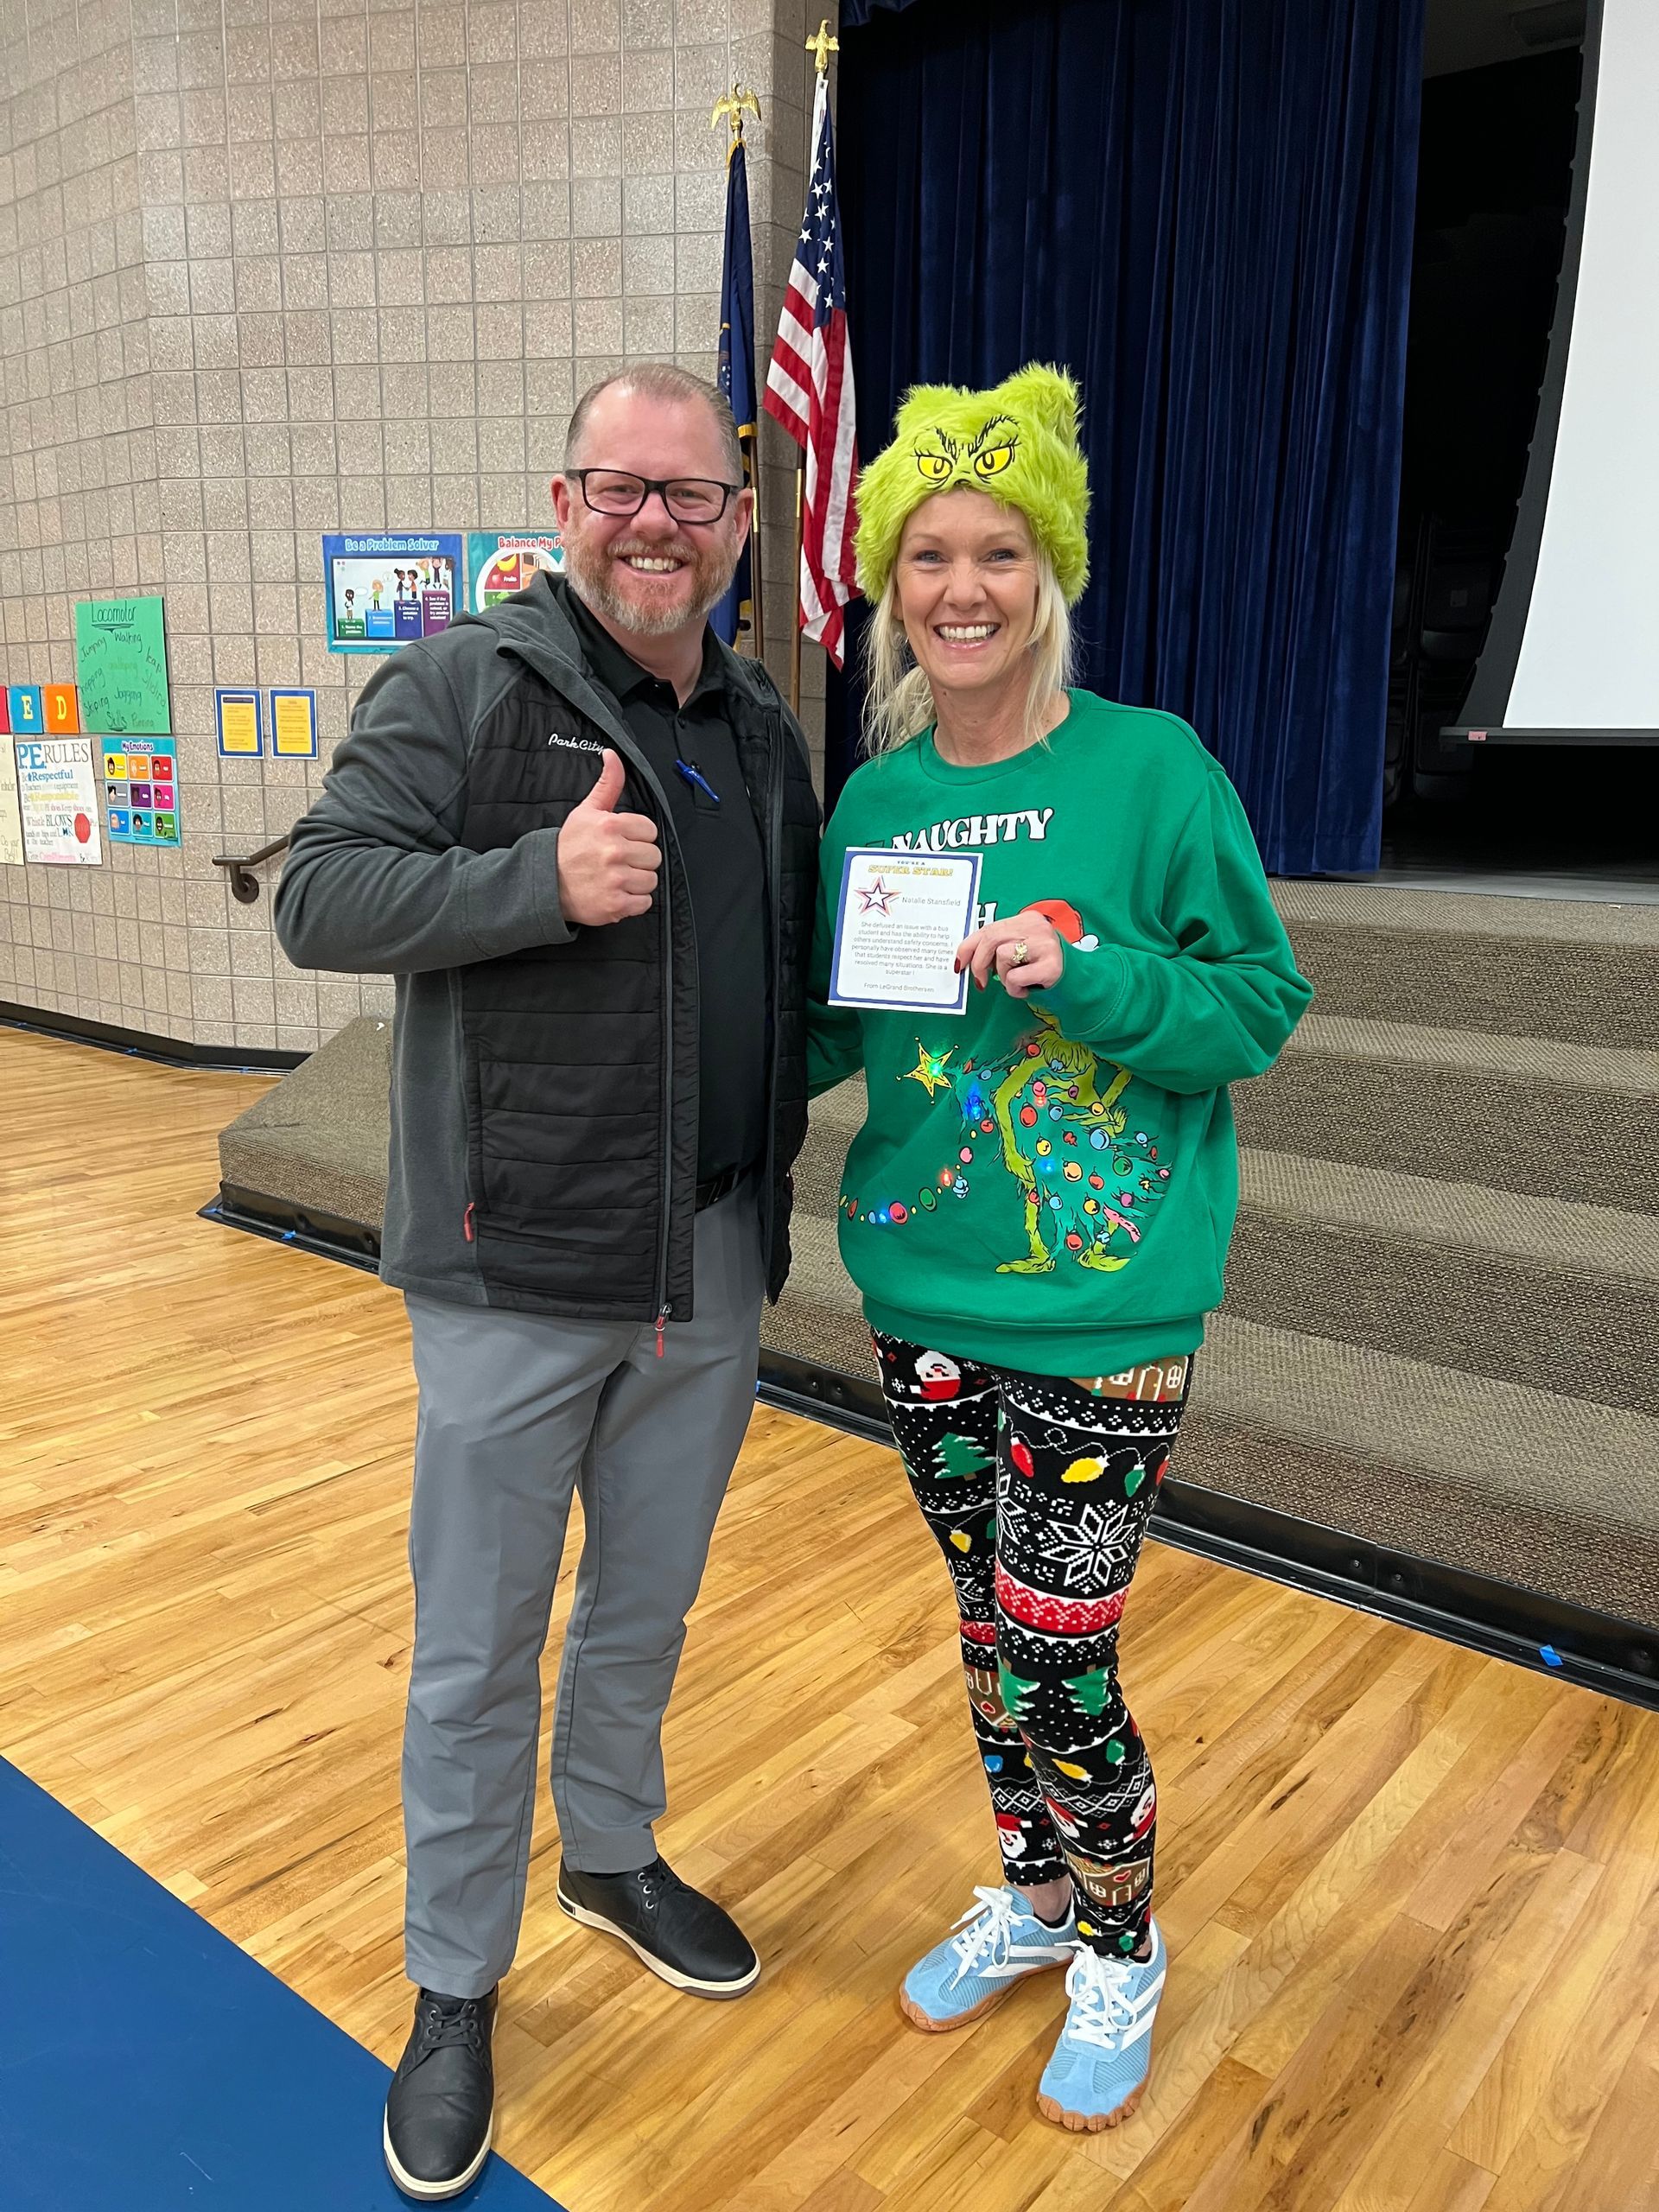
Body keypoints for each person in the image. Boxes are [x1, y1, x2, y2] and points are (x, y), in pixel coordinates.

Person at [275, 364, 819, 2202]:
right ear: (567, 496)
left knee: (643, 1613)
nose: (656, 522)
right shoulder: (463, 684)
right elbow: (321, 896)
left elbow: (774, 971)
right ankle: (452, 1980)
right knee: (476, 1650)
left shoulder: (761, 726)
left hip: (713, 1255)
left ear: (740, 525)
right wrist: (534, 876)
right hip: (517, 1264)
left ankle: (609, 1853)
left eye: (694, 496)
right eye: (623, 488)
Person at [808, 365, 1312, 2134]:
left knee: (1059, 1648)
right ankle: (1031, 1895)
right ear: (888, 584)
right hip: (921, 1289)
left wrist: (1083, 970)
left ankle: (1120, 1940)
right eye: (929, 554)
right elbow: (832, 1029)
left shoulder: (1151, 766)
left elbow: (1259, 1006)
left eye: (998, 552)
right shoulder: (873, 806)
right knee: (981, 1625)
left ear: (1051, 575)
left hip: (1106, 1305)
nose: (962, 587)